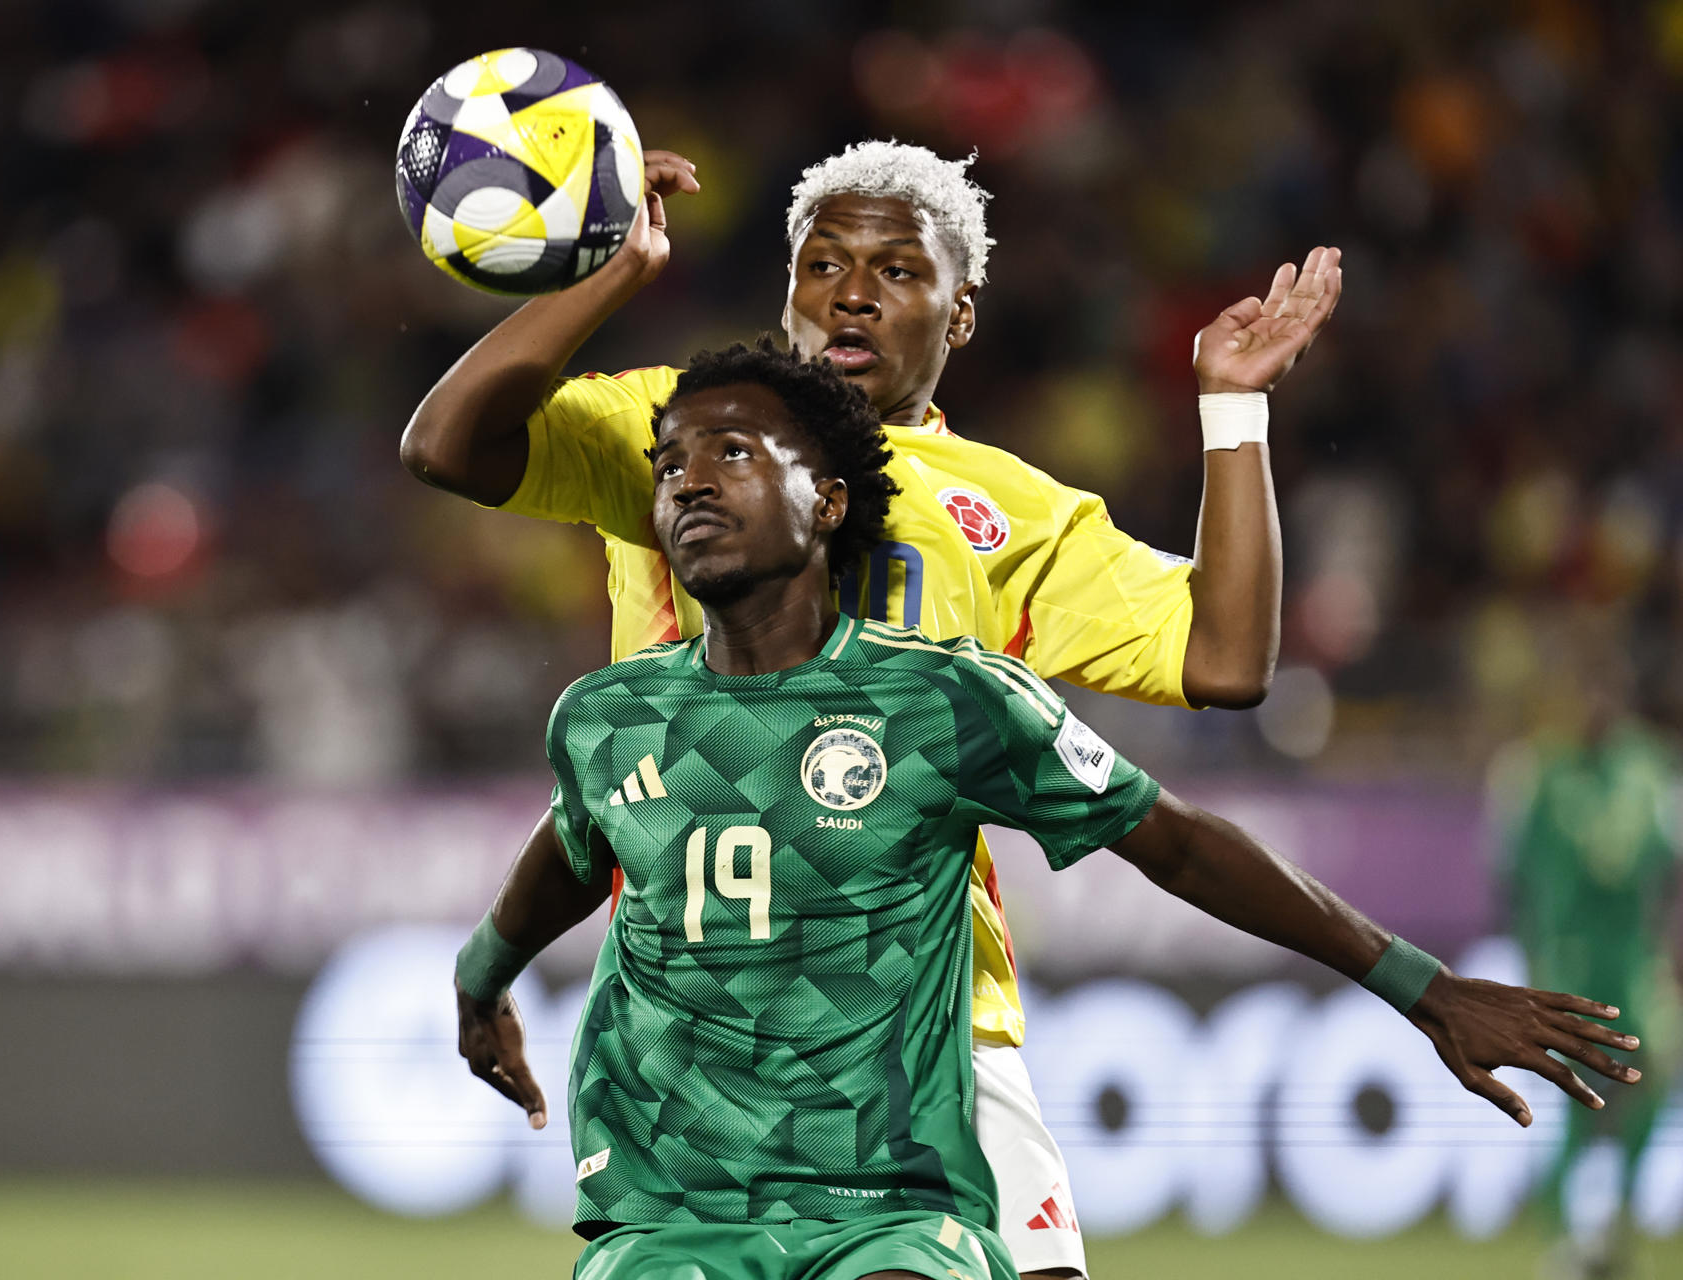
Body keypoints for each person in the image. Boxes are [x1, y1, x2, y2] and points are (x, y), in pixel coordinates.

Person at [454, 343, 1641, 1280]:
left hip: (887, 1212)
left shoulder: (943, 699)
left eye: (730, 454)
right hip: (665, 1210)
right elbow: (571, 849)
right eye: (669, 465)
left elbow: (1173, 839)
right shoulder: (607, 716)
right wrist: (479, 976)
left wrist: (1421, 987)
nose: (687, 481)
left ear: (826, 500)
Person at [406, 140, 1340, 1277]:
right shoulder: (675, 429)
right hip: (706, 1013)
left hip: (922, 1017)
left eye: (899, 269)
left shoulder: (1011, 509)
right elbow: (449, 444)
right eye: (823, 263)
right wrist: (610, 275)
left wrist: (1232, 412)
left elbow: (1226, 654)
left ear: (962, 315)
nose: (852, 290)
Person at [1489, 644, 1681, 1279]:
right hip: (1566, 957)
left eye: (1606, 693)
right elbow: (1509, 872)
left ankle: (1619, 1223)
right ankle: (1568, 1239)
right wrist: (1528, 949)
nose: (1597, 707)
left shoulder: (1653, 771)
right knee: (1571, 1092)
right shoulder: (1535, 772)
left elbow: (1670, 870)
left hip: (1634, 957)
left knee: (1651, 1079)